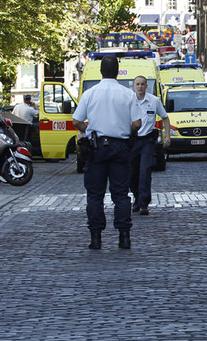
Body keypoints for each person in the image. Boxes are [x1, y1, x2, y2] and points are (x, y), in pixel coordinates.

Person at [73, 56, 142, 250]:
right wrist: (126, 129)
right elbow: (137, 123)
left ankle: (96, 237)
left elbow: (76, 120)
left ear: (101, 71)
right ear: (117, 71)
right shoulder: (128, 94)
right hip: (120, 147)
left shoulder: (90, 93)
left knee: (94, 194)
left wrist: (88, 127)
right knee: (121, 194)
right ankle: (124, 236)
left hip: (96, 149)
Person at [130, 76, 170, 217]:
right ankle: (136, 197)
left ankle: (144, 203)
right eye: (137, 84)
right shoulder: (128, 101)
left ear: (146, 86)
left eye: (142, 84)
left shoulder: (154, 101)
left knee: (144, 171)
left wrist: (167, 136)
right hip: (133, 141)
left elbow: (165, 118)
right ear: (133, 86)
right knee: (132, 173)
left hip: (147, 140)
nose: (140, 87)